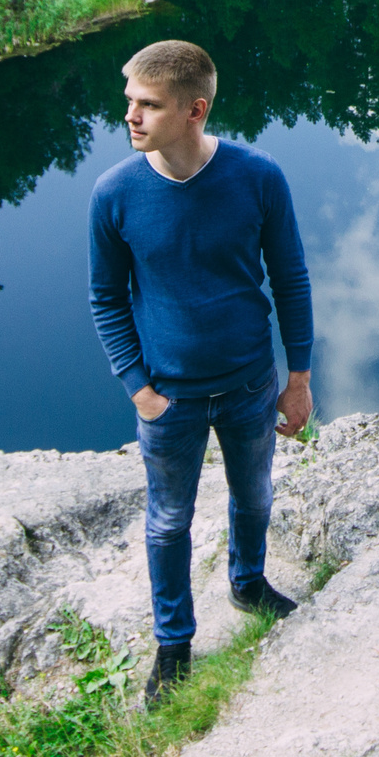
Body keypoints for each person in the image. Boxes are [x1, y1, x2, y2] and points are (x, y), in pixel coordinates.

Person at [90, 39, 315, 704]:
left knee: (255, 497)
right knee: (168, 521)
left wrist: (296, 377)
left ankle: (247, 583)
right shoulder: (115, 193)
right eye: (129, 100)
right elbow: (106, 297)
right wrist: (139, 386)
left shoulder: (258, 176)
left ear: (194, 109)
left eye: (147, 104)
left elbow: (291, 278)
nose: (129, 115)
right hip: (170, 397)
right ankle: (174, 642)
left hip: (249, 384)